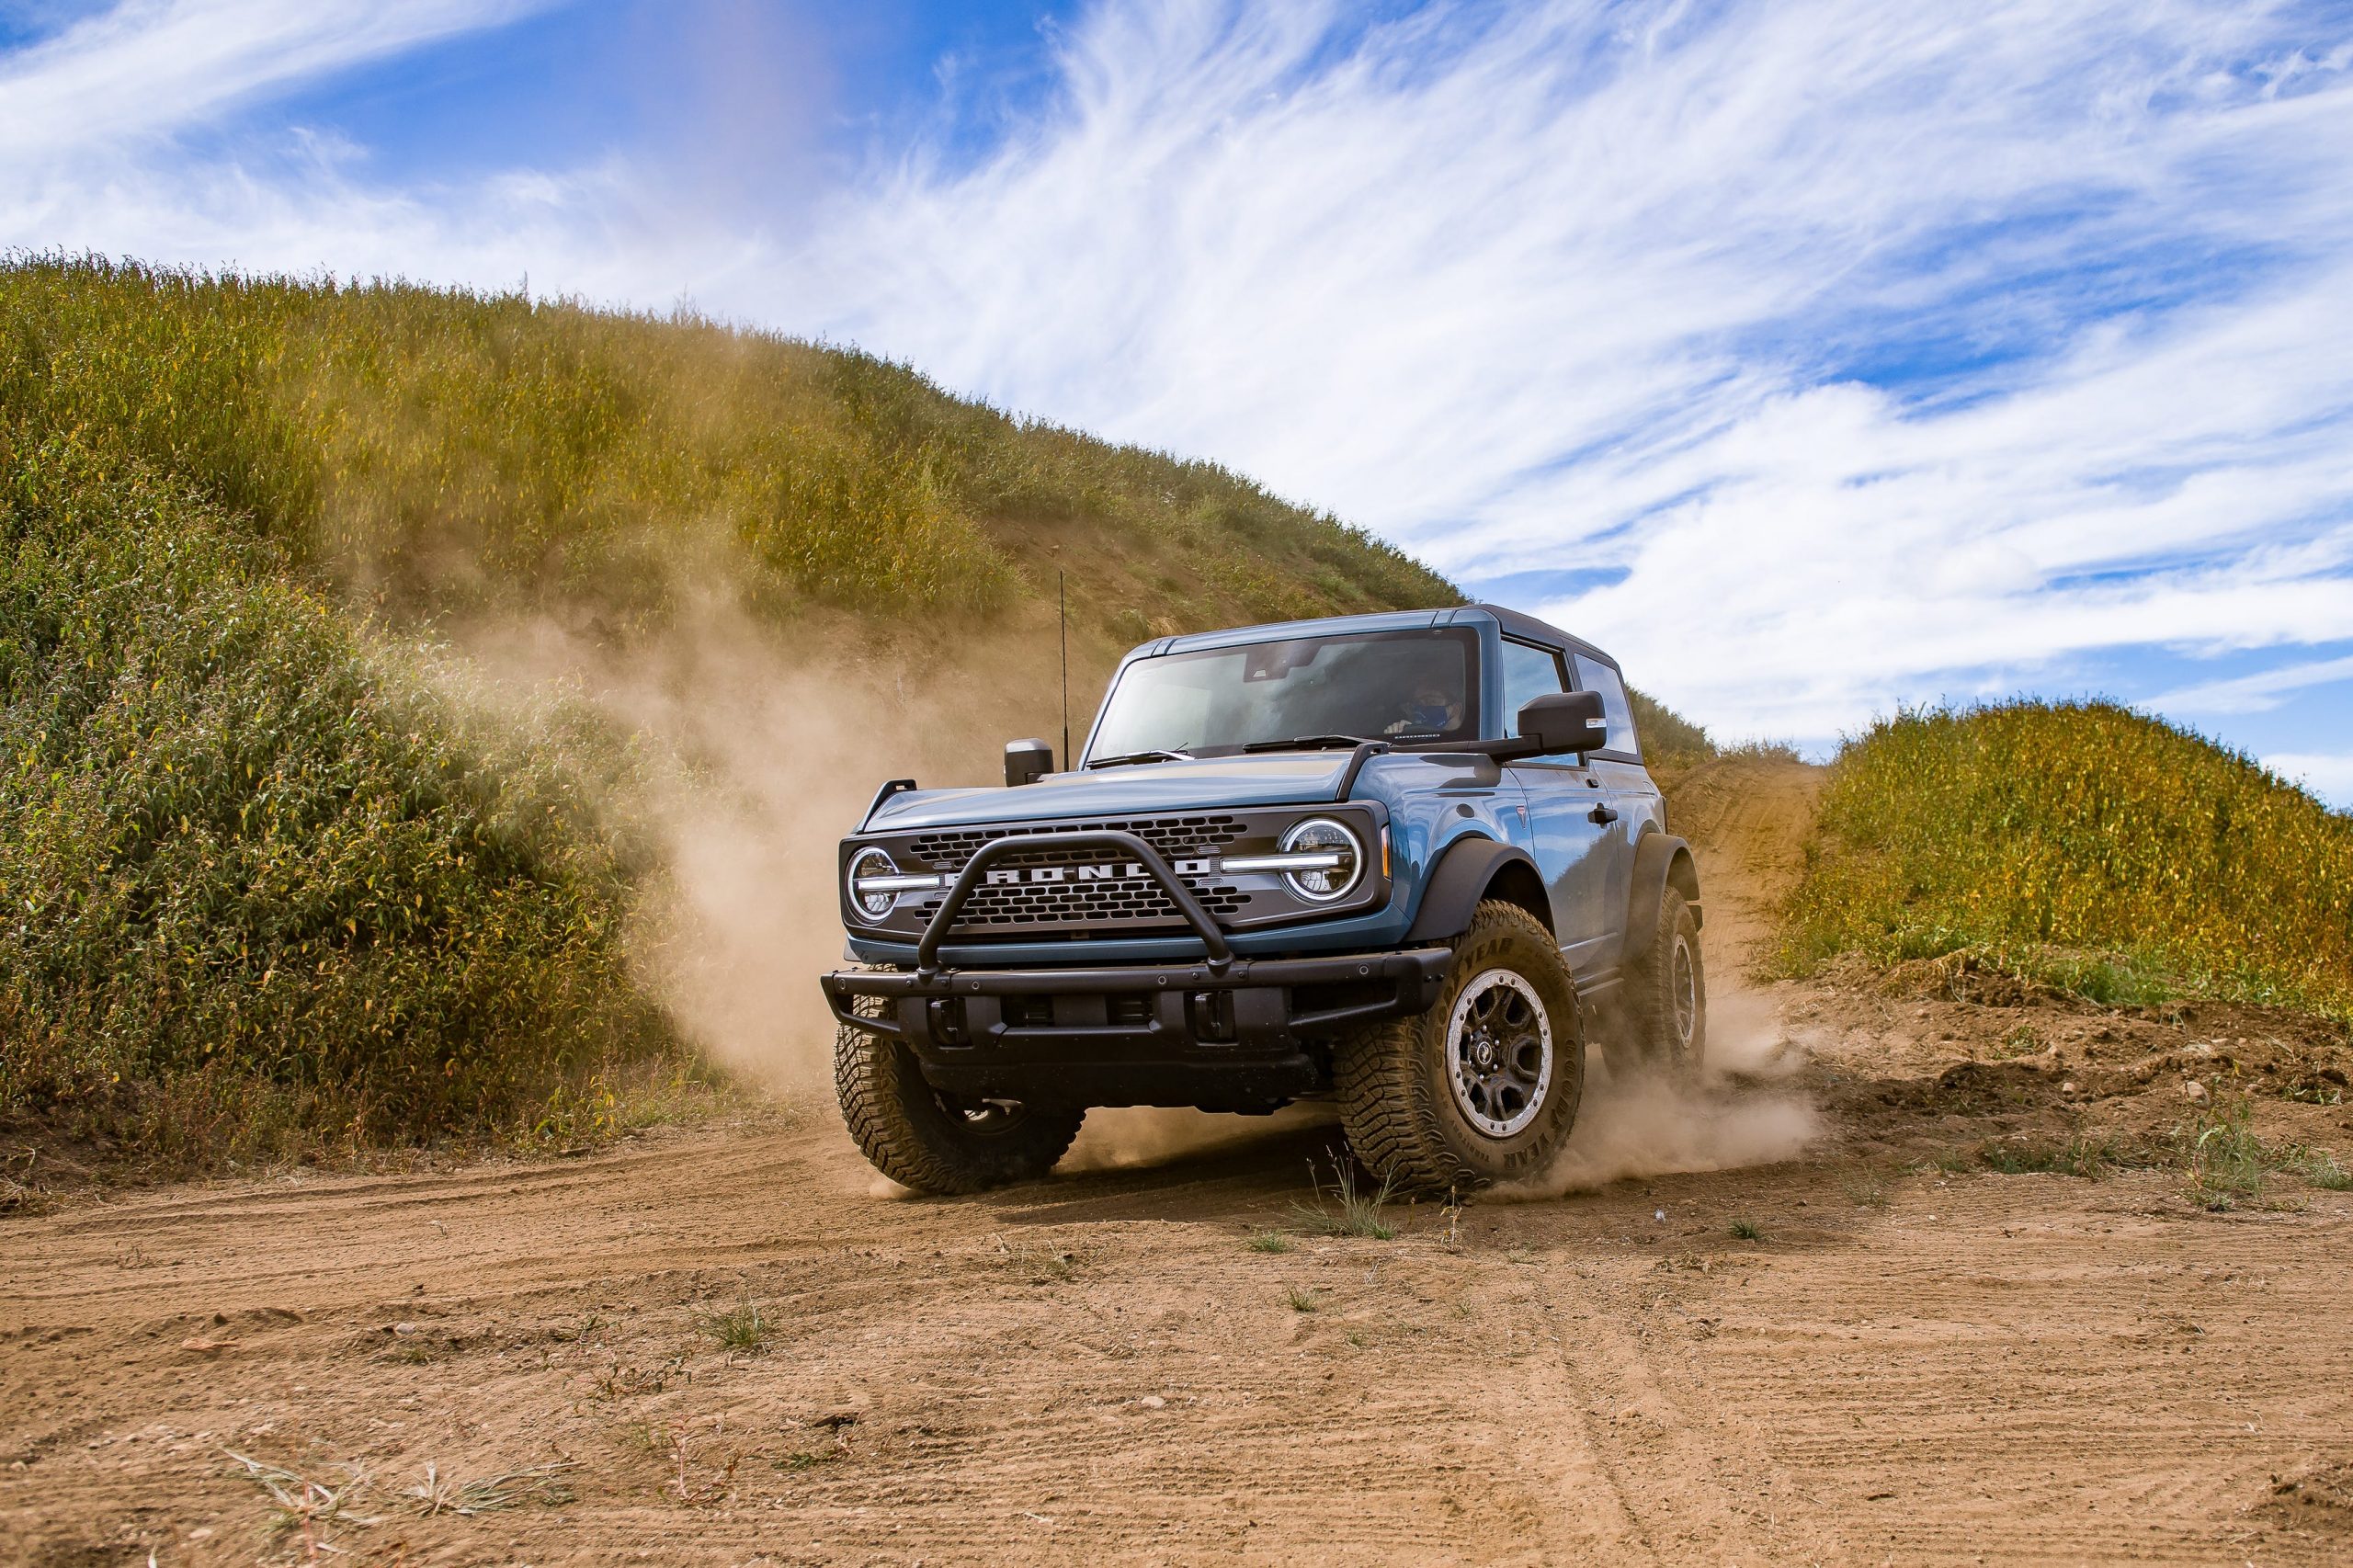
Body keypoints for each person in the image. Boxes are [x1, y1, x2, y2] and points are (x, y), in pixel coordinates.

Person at [1385, 681, 1462, 736]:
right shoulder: (1420, 738)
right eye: (1417, 703)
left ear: (1456, 708)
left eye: (1431, 701)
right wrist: (1402, 734)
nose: (1422, 708)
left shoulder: (1470, 742)